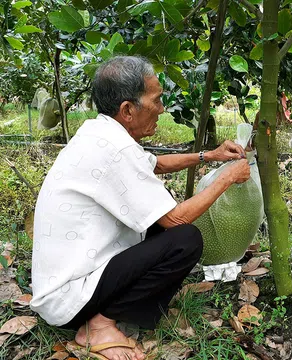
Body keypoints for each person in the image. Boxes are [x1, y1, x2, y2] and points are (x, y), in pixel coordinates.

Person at [30, 56, 251, 360]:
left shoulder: (101, 133)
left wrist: (209, 156)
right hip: (70, 299)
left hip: (68, 281)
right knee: (185, 240)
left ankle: (104, 312)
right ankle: (99, 323)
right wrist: (227, 178)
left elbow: (154, 163)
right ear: (127, 110)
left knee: (155, 228)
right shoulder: (115, 148)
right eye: (157, 100)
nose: (162, 109)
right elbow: (177, 219)